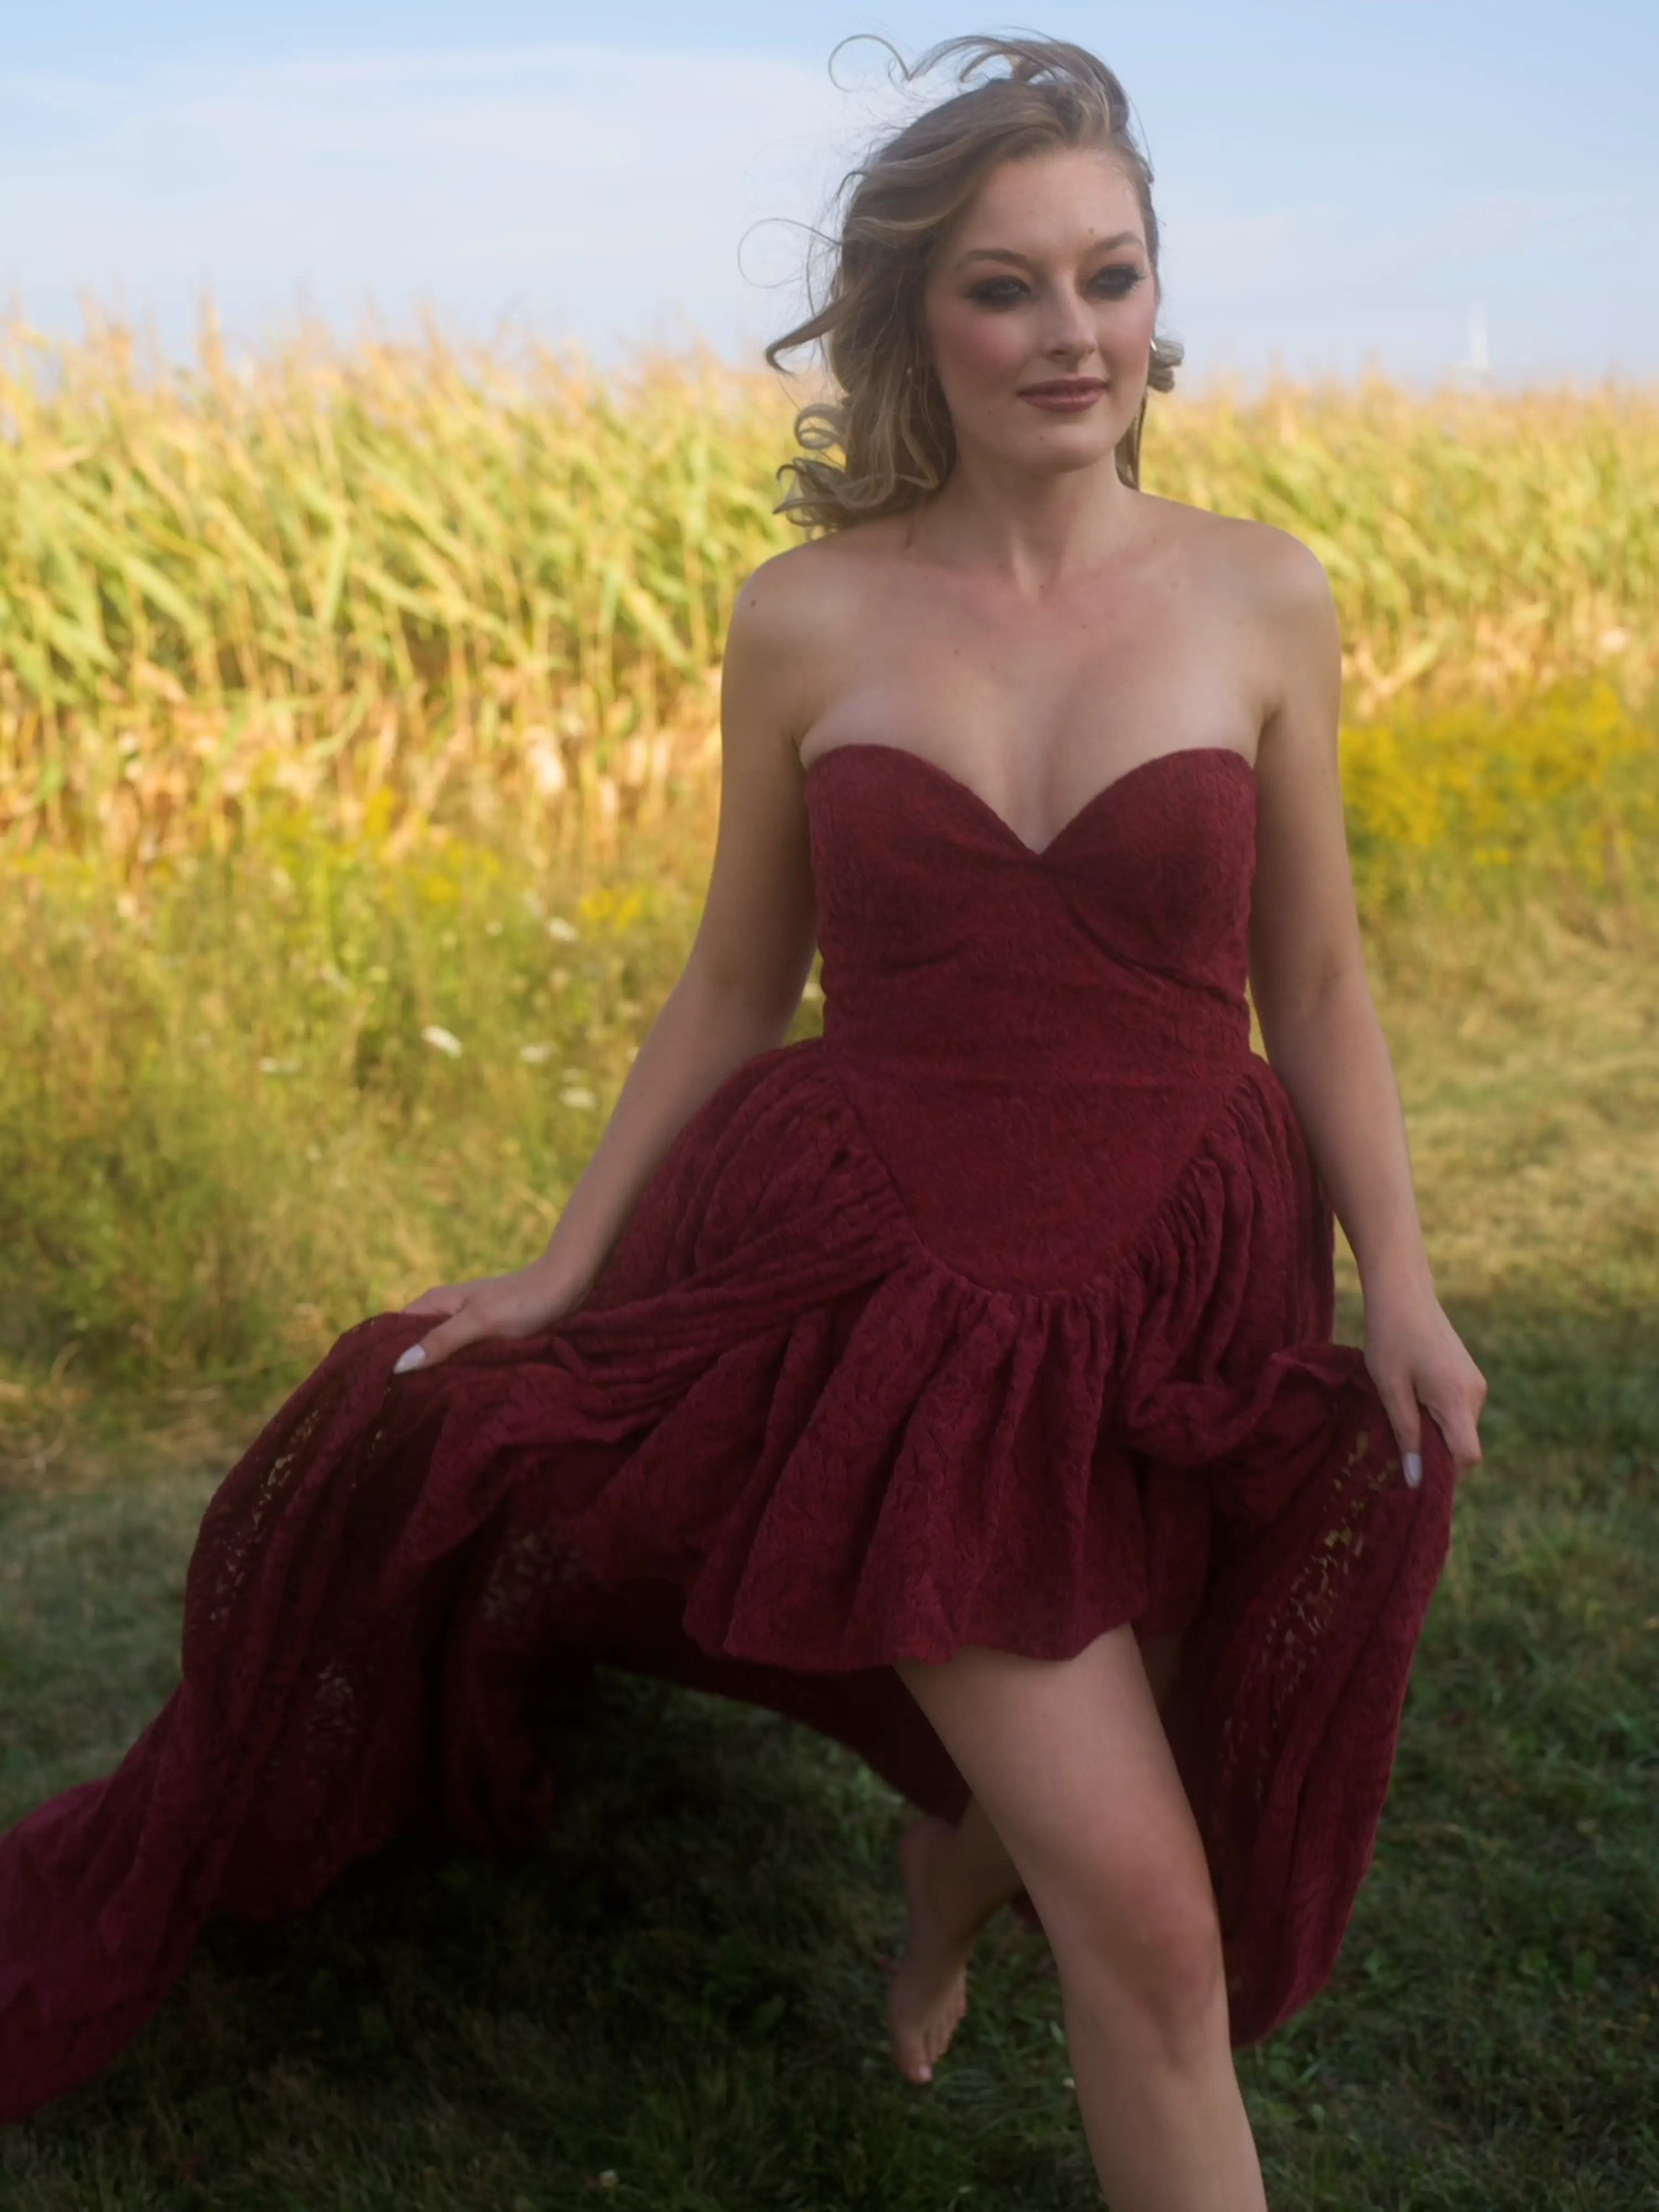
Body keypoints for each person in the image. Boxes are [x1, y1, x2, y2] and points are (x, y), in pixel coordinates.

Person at [0, 33, 1484, 2210]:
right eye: (1005, 286)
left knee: (1098, 1728)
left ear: (1161, 294)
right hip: (899, 1283)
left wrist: (1409, 1288)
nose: (1069, 334)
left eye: (1110, 275)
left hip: (1183, 1262)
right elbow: (731, 979)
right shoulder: (805, 616)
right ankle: (997, 1886)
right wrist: (572, 1264)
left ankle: (941, 1877)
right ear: (913, 318)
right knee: (1151, 1922)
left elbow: (1320, 983)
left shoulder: (1263, 594)